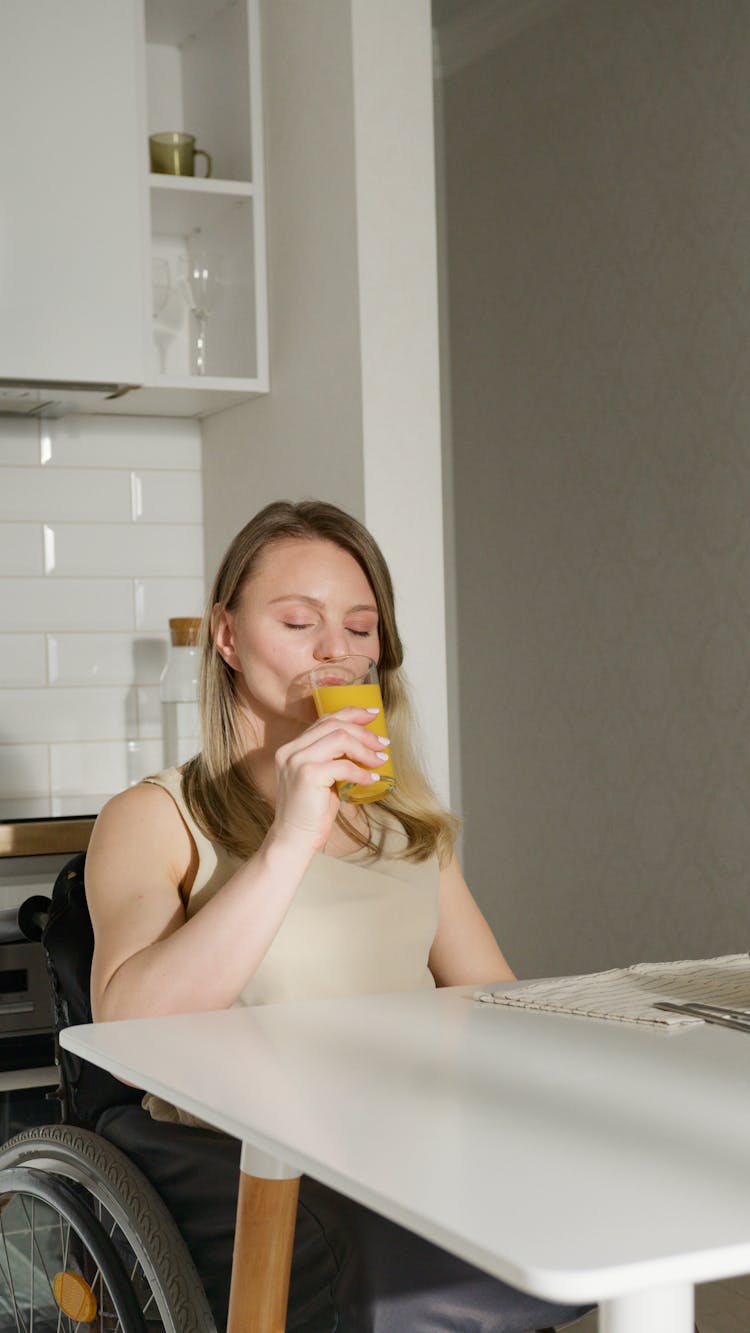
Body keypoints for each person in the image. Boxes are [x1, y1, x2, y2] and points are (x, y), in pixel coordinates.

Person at [86, 499, 590, 1333]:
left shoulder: (409, 829)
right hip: (245, 1160)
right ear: (228, 636)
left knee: (583, 1205)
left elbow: (499, 1009)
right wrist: (290, 838)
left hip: (397, 1139)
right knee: (399, 1270)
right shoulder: (153, 817)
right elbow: (131, 1033)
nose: (336, 650)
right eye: (298, 621)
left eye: (361, 628)